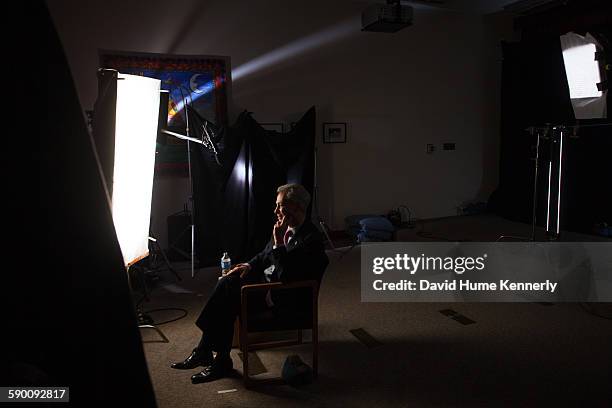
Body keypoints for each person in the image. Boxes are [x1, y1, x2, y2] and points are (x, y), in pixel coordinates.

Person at [171, 183, 329, 384]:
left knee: (228, 295)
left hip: (285, 301)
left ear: (296, 207)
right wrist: (247, 265)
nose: (275, 211)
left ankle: (212, 355)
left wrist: (279, 243)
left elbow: (286, 276)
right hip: (268, 287)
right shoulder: (285, 227)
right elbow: (264, 255)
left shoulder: (312, 239)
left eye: (280, 206)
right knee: (228, 282)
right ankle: (212, 355)